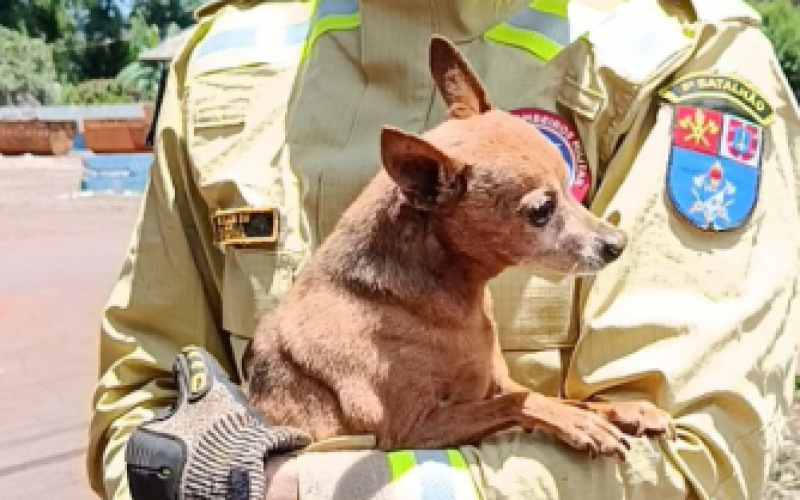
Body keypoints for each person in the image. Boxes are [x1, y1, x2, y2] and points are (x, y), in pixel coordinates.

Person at [87, 0, 800, 498]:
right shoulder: (224, 57)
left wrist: (300, 491)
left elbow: (690, 462)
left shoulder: (676, 57)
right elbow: (144, 405)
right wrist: (180, 472)